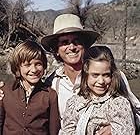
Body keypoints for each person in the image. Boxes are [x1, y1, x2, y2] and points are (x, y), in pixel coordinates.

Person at [0, 13, 139, 134]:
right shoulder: (51, 83)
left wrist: (116, 128)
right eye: (65, 42)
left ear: (84, 45)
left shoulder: (113, 76)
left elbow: (137, 112)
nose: (71, 47)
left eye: (76, 41)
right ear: (56, 49)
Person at [60, 46, 135, 135]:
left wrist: (113, 131)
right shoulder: (75, 103)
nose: (101, 81)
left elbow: (127, 131)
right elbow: (67, 131)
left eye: (106, 75)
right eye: (95, 75)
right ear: (86, 75)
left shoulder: (118, 104)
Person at [0, 40, 60, 135]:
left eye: (38, 64)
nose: (34, 70)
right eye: (27, 65)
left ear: (44, 66)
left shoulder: (50, 95)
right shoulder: (6, 91)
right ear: (17, 67)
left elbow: (54, 130)